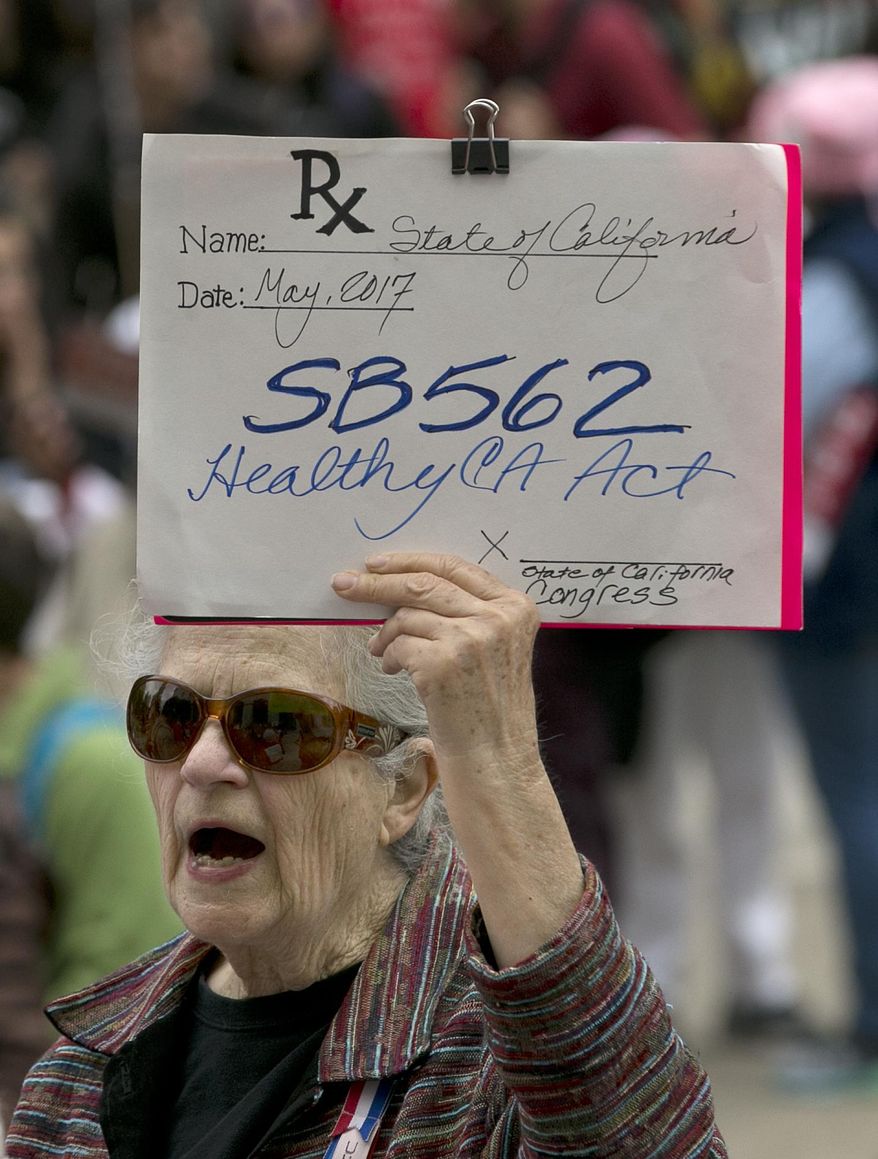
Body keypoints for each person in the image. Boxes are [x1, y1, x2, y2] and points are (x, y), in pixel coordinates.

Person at [7, 553, 727, 1157]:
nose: (201, 762)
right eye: (171, 713)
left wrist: (501, 763)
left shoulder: (492, 1064)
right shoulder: (77, 1078)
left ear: (404, 789)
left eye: (277, 724)